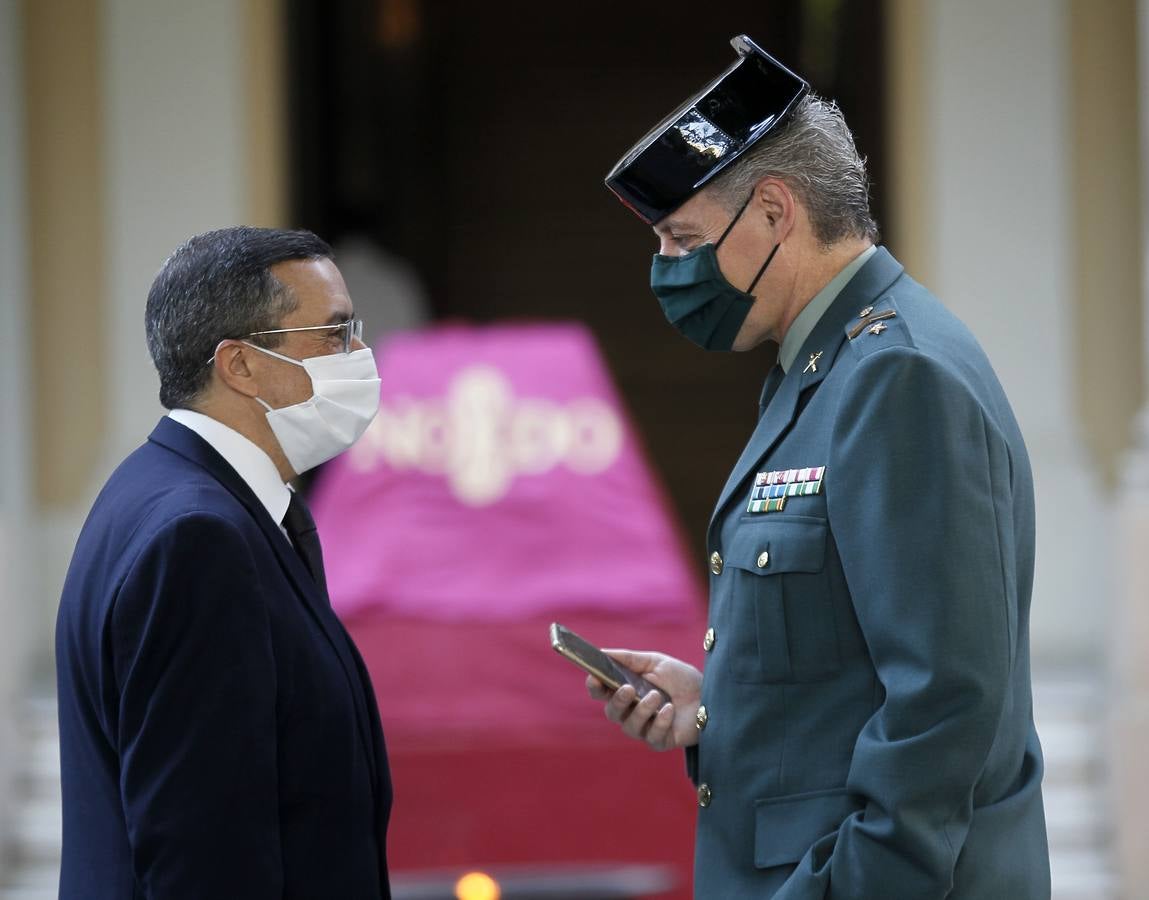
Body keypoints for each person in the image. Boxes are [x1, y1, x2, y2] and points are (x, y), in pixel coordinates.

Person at [588, 35, 1050, 898]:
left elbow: (942, 707)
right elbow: (845, 657)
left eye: (683, 238)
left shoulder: (895, 375)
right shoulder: (824, 366)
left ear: (773, 211)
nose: (666, 271)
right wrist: (710, 712)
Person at [55, 227, 392, 898]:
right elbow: (201, 849)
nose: (358, 356)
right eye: (333, 335)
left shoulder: (175, 492)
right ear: (239, 365)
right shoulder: (198, 537)